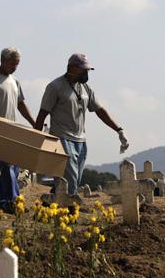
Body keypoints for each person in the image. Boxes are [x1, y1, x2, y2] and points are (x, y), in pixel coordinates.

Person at [34, 53, 129, 199]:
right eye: (83, 69)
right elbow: (42, 114)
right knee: (70, 178)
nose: (86, 73)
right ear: (72, 68)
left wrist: (119, 130)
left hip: (80, 140)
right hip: (62, 138)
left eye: (87, 70)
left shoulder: (85, 88)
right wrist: (36, 140)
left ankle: (51, 202)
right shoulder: (55, 87)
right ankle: (69, 210)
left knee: (75, 179)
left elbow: (99, 110)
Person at [0, 47, 37, 213]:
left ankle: (1, 202)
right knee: (7, 166)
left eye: (17, 64)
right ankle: (14, 201)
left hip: (13, 129)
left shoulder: (15, 81)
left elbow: (20, 104)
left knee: (14, 167)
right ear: (4, 61)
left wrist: (34, 122)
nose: (15, 67)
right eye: (13, 63)